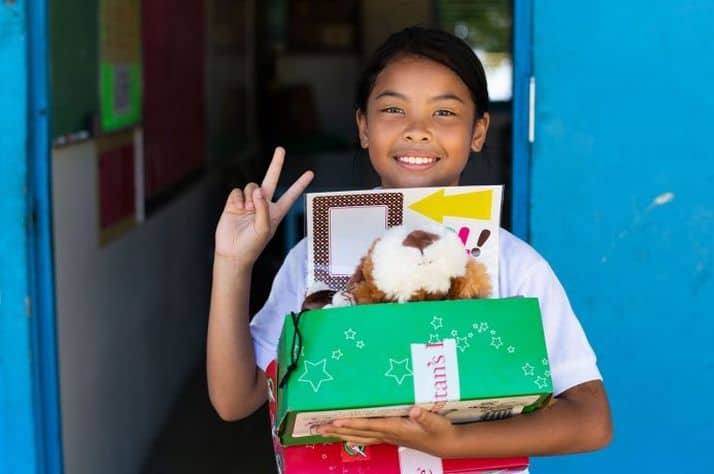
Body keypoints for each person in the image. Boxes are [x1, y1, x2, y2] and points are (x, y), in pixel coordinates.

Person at [207, 26, 612, 465]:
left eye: (444, 113)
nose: (417, 130)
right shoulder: (316, 257)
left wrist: (454, 444)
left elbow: (591, 421)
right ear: (363, 126)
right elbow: (236, 399)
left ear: (478, 131)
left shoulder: (512, 263)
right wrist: (233, 263)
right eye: (394, 109)